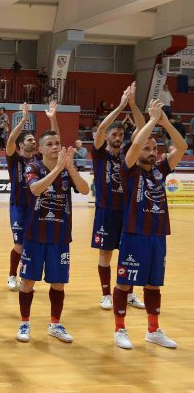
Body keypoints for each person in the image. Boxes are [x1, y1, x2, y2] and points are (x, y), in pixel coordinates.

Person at [111, 99, 187, 350]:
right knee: (124, 283)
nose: (152, 152)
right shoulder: (129, 170)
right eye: (147, 148)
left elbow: (182, 146)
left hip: (157, 235)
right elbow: (135, 144)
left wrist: (165, 123)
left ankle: (153, 331)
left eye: (155, 148)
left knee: (154, 284)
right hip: (134, 234)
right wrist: (153, 120)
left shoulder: (160, 170)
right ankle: (120, 329)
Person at [16, 130, 90, 344]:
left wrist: (70, 168)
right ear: (40, 149)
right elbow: (35, 189)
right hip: (35, 235)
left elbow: (85, 190)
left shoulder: (67, 170)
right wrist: (57, 169)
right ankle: (24, 323)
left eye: (57, 143)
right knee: (27, 282)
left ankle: (55, 325)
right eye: (49, 144)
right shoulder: (33, 167)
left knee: (58, 283)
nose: (55, 146)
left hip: (60, 236)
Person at [91, 83, 146, 312]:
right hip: (106, 210)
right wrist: (121, 105)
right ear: (108, 136)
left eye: (120, 134)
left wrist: (132, 104)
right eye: (114, 134)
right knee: (106, 254)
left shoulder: (128, 154)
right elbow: (101, 128)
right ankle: (106, 295)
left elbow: (142, 128)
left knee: (129, 253)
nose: (117, 137)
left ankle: (129, 293)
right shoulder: (99, 153)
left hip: (128, 211)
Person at [4, 102, 60, 290]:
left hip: (37, 207)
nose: (33, 142)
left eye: (34, 140)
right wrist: (23, 121)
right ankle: (12, 275)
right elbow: (10, 141)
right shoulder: (14, 159)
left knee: (30, 244)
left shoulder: (39, 160)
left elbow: (55, 141)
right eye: (29, 140)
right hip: (18, 206)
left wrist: (53, 119)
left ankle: (25, 276)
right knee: (19, 245)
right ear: (21, 145)